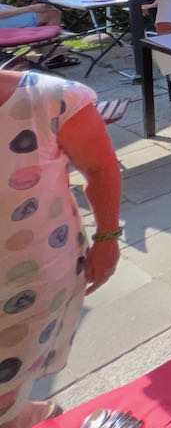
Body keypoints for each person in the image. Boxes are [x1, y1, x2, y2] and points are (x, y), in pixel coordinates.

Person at [0, 70, 121, 428]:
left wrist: (107, 238)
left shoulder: (52, 100)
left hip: (29, 281)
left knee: (11, 370)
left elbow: (101, 170)